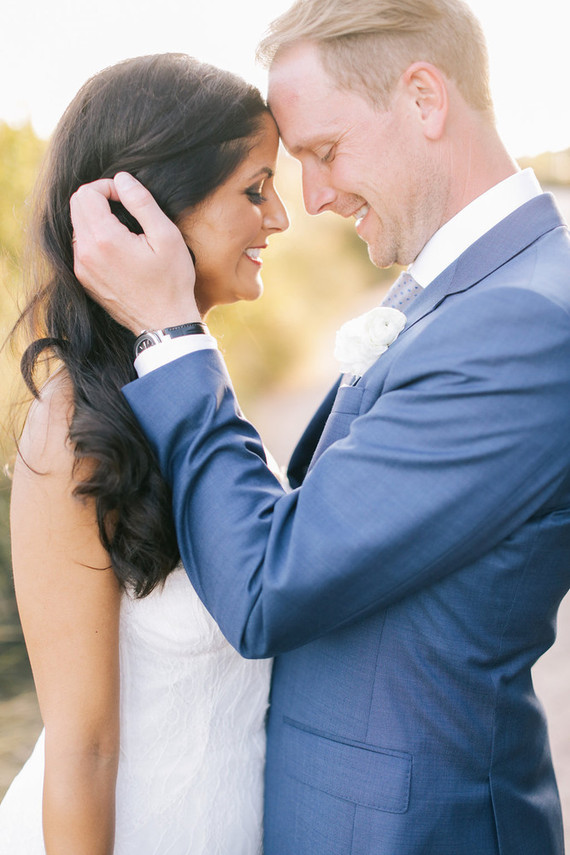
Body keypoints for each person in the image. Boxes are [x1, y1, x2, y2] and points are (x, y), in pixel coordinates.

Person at [70, 1, 570, 853]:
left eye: (324, 153)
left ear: (423, 99)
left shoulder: (519, 320)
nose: (314, 197)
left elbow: (270, 583)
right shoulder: (481, 290)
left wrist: (171, 334)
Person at [0, 53, 289, 855]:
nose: (280, 217)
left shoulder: (200, 394)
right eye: (256, 187)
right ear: (154, 207)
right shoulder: (73, 432)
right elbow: (81, 751)